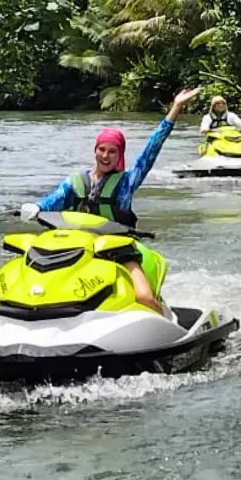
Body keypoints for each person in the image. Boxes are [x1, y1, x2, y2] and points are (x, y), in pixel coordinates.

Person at [19, 87, 201, 312]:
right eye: (101, 150)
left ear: (120, 154)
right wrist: (36, 207)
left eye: (112, 151)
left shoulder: (126, 182)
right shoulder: (75, 181)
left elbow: (151, 149)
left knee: (143, 297)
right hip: (78, 248)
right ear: (95, 151)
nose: (105, 156)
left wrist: (176, 107)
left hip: (118, 248)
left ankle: (162, 323)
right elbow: (53, 200)